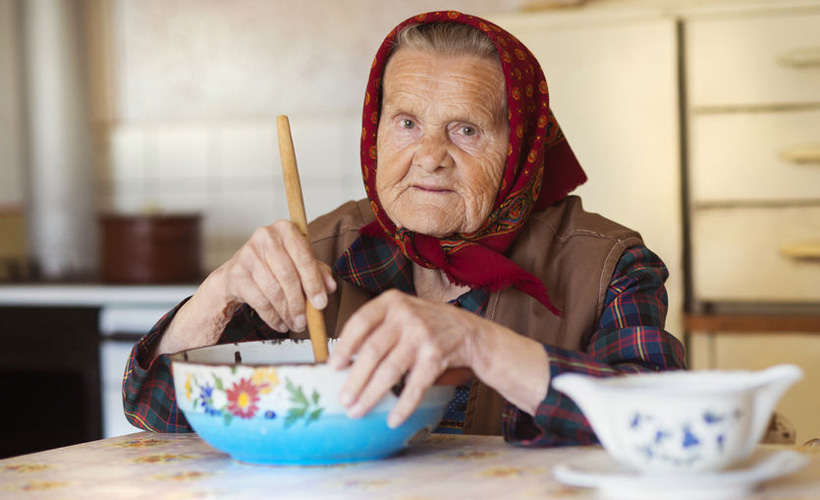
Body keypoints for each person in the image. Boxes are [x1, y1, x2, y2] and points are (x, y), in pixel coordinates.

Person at [123, 11, 685, 445]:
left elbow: (663, 425)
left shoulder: (610, 265)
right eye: (408, 123)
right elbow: (157, 412)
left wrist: (480, 346)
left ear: (522, 151)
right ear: (376, 132)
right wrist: (219, 294)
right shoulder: (321, 250)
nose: (430, 156)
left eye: (465, 129)